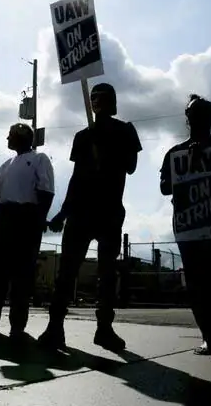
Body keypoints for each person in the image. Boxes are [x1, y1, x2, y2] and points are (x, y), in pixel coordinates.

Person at [39, 82, 142, 351]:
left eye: (103, 97)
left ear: (113, 102)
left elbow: (131, 166)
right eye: (94, 97)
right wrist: (63, 212)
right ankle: (55, 327)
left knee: (107, 273)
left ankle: (104, 328)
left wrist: (106, 148)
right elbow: (77, 177)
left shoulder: (125, 130)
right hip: (81, 211)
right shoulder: (83, 136)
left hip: (109, 210)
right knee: (66, 272)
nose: (97, 101)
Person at [160, 95, 211, 359]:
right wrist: (187, 163)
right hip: (188, 224)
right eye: (192, 113)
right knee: (196, 283)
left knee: (210, 278)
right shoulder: (175, 153)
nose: (195, 118)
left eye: (200, 113)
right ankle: (210, 336)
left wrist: (205, 158)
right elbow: (165, 187)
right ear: (187, 118)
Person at [0, 123, 55, 341]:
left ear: (22, 137)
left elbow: (46, 192)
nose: (7, 138)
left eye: (11, 135)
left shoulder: (39, 159)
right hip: (3, 218)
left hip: (25, 219)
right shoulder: (6, 164)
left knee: (21, 276)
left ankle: (17, 327)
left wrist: (38, 220)